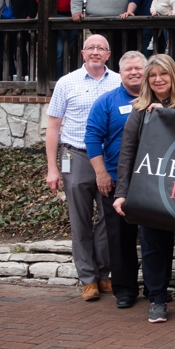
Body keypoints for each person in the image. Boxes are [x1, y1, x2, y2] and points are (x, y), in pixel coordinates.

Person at [113, 54, 175, 324]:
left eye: (162, 74)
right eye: (152, 76)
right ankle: (157, 298)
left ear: (173, 75)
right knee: (153, 244)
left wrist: (166, 114)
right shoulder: (140, 107)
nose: (158, 80)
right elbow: (127, 153)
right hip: (150, 188)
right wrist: (122, 193)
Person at [45, 34, 121, 301]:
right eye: (91, 48)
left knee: (107, 218)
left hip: (109, 160)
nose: (96, 52)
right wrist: (52, 168)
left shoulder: (119, 81)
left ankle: (103, 274)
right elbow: (53, 127)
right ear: (82, 52)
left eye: (101, 48)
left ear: (109, 55)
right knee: (80, 221)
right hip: (76, 156)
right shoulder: (67, 83)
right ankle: (87, 278)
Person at [84, 51, 147, 309]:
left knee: (154, 239)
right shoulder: (107, 102)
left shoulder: (156, 99)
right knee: (120, 239)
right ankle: (125, 290)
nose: (134, 72)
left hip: (150, 182)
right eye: (128, 69)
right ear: (120, 73)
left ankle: (157, 288)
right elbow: (92, 138)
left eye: (139, 68)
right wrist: (101, 174)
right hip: (115, 181)